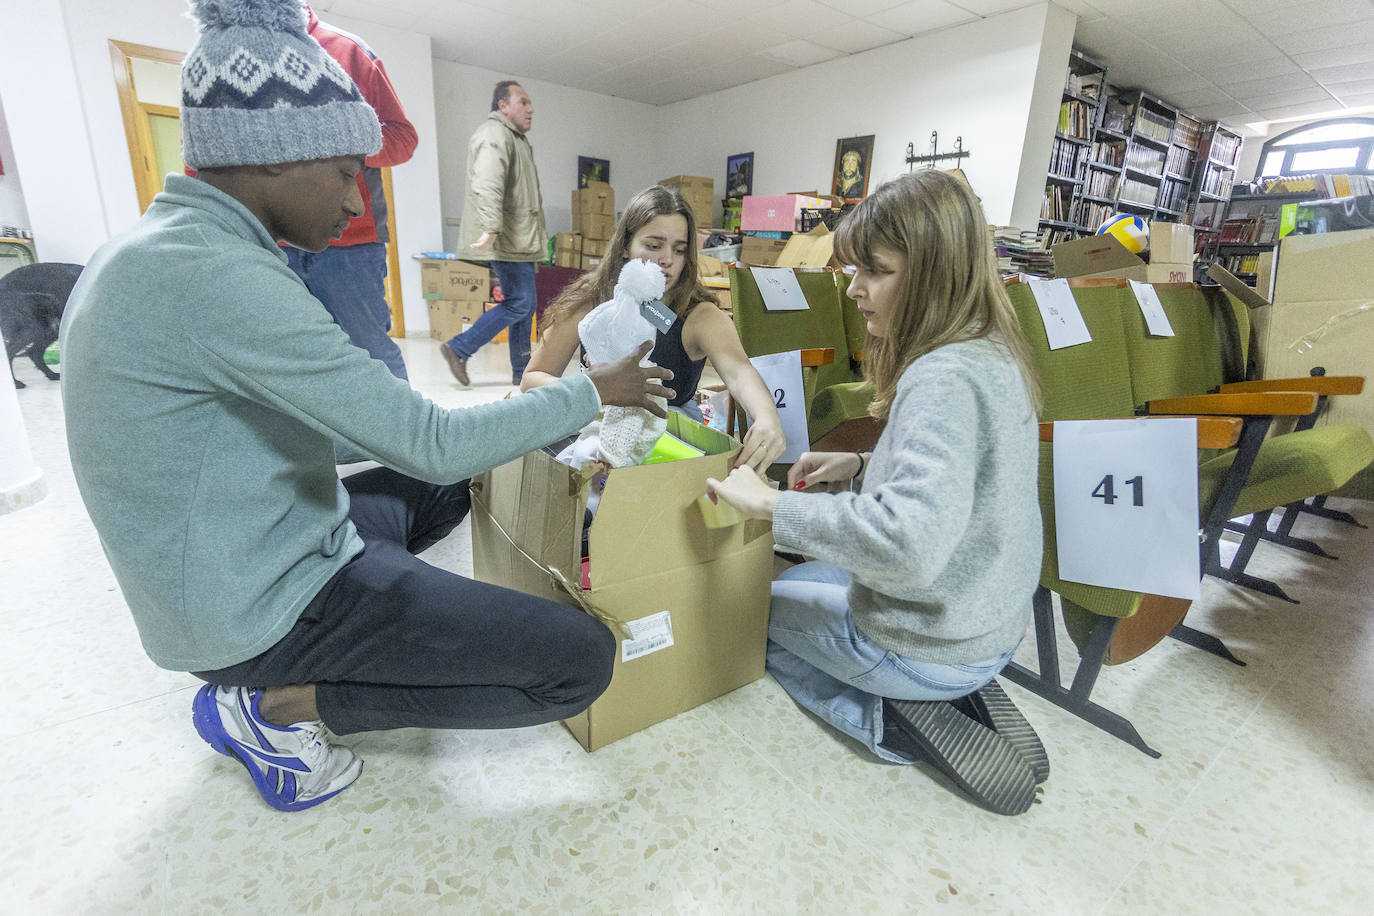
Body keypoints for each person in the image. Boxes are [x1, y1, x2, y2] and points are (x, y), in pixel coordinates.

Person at [59, 0, 673, 813]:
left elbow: (384, 439)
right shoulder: (221, 280)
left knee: (451, 482)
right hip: (257, 615)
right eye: (349, 173)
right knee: (580, 661)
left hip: (244, 551)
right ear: (277, 157)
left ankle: (394, 619)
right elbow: (433, 441)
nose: (358, 205)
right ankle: (274, 707)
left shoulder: (160, 246)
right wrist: (592, 393)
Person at [704, 170, 1048, 815]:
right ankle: (950, 690)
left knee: (748, 608)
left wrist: (773, 508)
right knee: (821, 577)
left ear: (936, 273)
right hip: (989, 622)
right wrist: (862, 462)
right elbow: (967, 485)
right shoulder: (991, 349)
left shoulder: (941, 376)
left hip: (930, 642)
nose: (855, 289)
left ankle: (891, 716)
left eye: (877, 271)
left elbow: (908, 546)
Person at [521, 185, 787, 473]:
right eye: (654, 245)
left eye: (679, 249)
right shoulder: (591, 299)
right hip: (597, 424)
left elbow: (739, 371)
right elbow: (533, 378)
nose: (667, 259)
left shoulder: (699, 314)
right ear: (625, 245)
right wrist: (591, 390)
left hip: (670, 440)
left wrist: (766, 417)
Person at [284, 4, 418, 380]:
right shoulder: (226, 55)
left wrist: (333, 134)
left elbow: (402, 139)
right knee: (292, 360)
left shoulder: (348, 51)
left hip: (350, 242)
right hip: (271, 242)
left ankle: (396, 438)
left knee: (369, 353)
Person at [441, 80, 546, 387]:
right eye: (523, 102)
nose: (531, 109)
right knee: (520, 303)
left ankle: (522, 371)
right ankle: (458, 348)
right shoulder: (494, 134)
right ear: (503, 105)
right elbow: (487, 183)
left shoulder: (515, 138)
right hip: (508, 238)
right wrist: (491, 228)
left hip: (519, 239)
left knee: (524, 308)